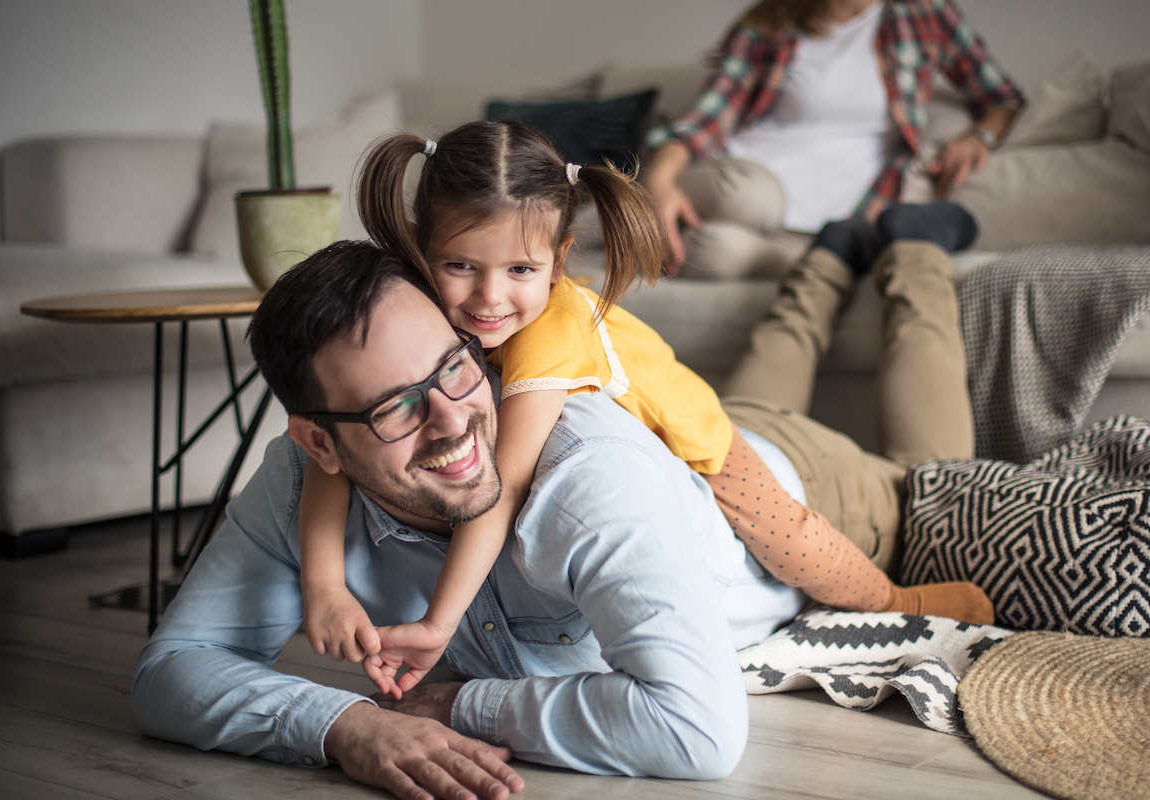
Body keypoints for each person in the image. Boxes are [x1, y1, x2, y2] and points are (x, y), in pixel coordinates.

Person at [133, 192, 985, 797]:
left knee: (934, 460)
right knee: (757, 369)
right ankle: (828, 259)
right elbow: (170, 672)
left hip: (793, 490)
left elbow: (698, 735)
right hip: (688, 434)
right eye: (396, 405)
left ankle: (909, 247)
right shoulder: (301, 478)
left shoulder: (583, 476)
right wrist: (344, 727)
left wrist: (460, 704)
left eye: (456, 368)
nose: (453, 422)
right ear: (318, 441)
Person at [296, 120, 992, 699]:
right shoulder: (411, 304)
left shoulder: (546, 332)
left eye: (520, 272)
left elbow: (502, 488)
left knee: (808, 548)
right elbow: (342, 435)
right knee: (777, 361)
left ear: (560, 262)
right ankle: (833, 252)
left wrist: (438, 623)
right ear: (423, 248)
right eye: (460, 267)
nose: (488, 299)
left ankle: (905, 603)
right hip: (716, 399)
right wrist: (323, 585)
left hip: (713, 445)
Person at [643, 0, 1025, 275]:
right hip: (738, 182)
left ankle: (630, 231)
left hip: (823, 220)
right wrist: (659, 182)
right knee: (750, 197)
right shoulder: (766, 24)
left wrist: (979, 137)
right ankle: (634, 207)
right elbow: (705, 118)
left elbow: (1003, 99)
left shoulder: (925, 14)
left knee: (717, 256)